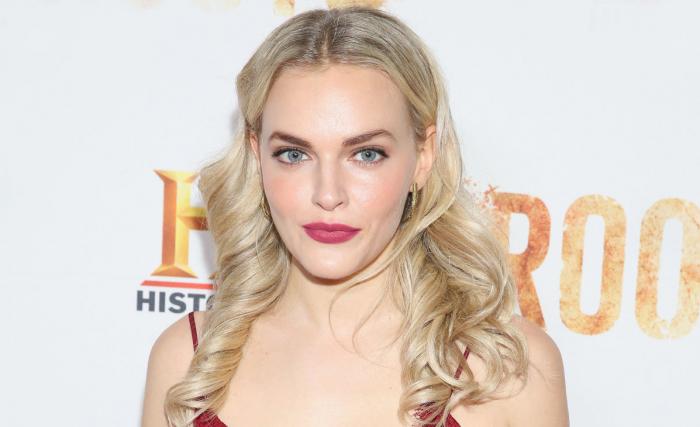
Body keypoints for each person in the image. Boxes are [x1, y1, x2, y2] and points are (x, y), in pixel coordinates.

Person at [141, 6, 569, 427]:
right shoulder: (188, 363)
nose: (328, 195)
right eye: (294, 154)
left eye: (366, 154)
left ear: (423, 157)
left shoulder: (510, 371)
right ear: (257, 158)